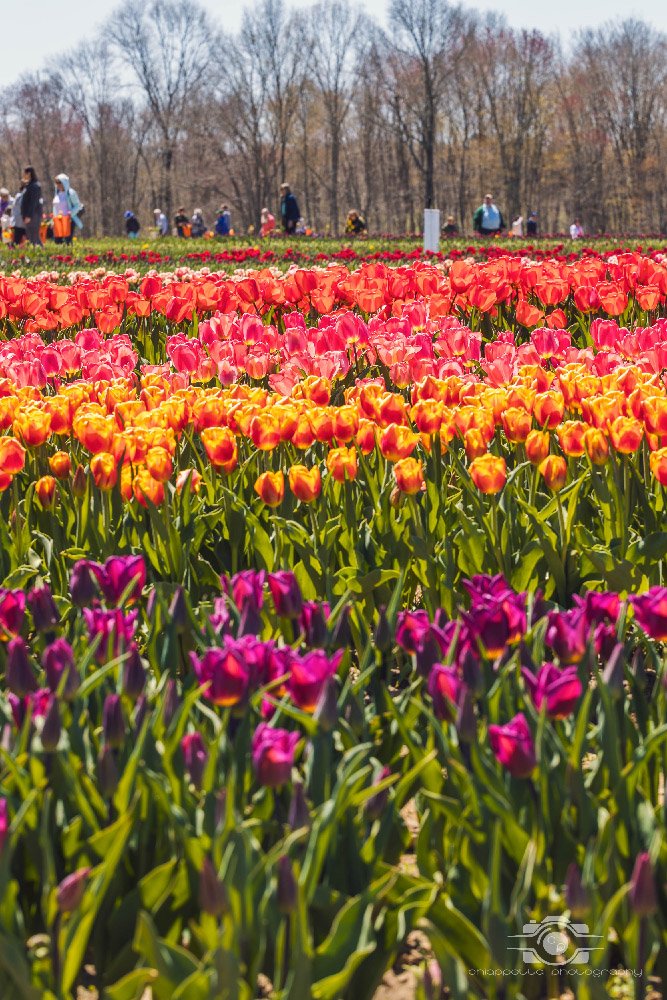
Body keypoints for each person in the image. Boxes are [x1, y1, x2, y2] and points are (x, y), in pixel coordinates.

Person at [52, 174, 83, 245]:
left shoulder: (70, 193)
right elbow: (55, 208)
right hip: (58, 220)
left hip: (68, 220)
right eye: (57, 183)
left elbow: (77, 205)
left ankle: (69, 254)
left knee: (67, 241)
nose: (58, 185)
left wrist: (71, 214)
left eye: (60, 182)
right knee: (57, 240)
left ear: (64, 183)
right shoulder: (57, 194)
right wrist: (53, 221)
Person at [20, 166, 44, 246]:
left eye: (24, 173)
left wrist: (29, 216)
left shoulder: (35, 186)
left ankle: (39, 252)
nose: (23, 175)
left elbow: (33, 202)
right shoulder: (29, 185)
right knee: (30, 237)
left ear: (29, 173)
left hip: (34, 215)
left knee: (34, 237)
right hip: (29, 215)